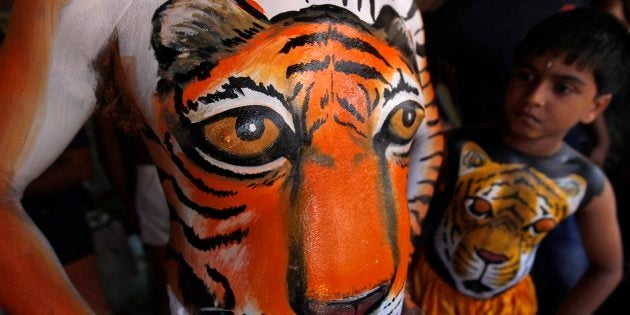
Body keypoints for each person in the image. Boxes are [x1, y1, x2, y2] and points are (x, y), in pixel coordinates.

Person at [0, 1, 443, 314]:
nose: (351, 287)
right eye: (250, 130)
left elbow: (428, 136)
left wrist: (399, 257)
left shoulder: (398, 5)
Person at [411, 9, 627, 314]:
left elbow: (607, 268)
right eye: (525, 76)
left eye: (563, 88)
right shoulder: (457, 146)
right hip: (423, 296)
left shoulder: (586, 183)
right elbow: (408, 220)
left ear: (596, 107)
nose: (535, 97)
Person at [21, 128, 113, 315]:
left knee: (86, 304)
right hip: (21, 232)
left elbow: (79, 165)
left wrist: (9, 189)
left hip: (54, 221)